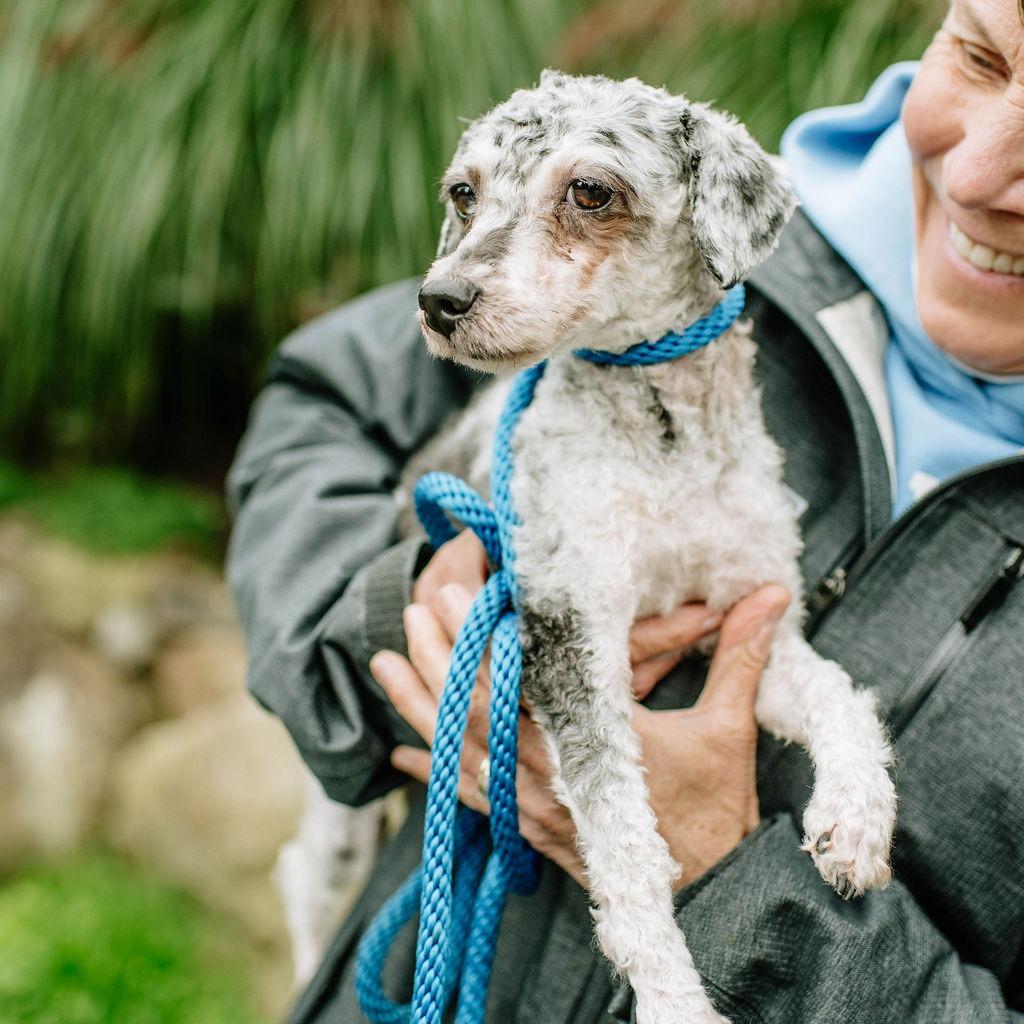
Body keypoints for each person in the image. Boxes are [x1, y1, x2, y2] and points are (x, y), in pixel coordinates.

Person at [225, 0, 1024, 1018]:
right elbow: (325, 401)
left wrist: (741, 890)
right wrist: (394, 630)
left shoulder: (691, 212)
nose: (973, 175)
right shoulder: (689, 225)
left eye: (588, 199)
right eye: (979, 52)